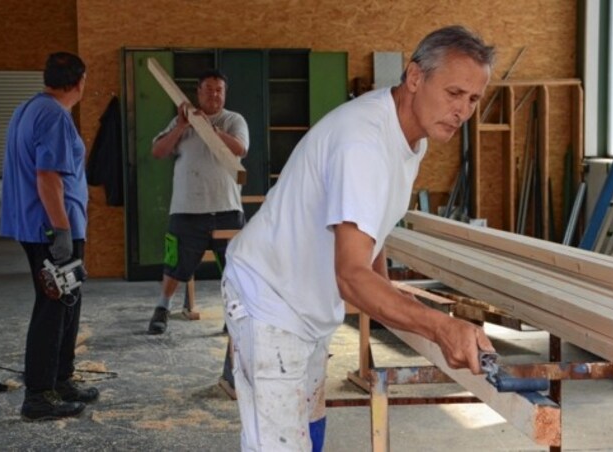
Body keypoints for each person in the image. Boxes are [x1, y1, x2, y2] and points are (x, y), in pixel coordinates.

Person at [222, 25, 497, 451]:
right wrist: (440, 327)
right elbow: (351, 276)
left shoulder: (411, 134)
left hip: (307, 305)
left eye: (473, 99)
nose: (462, 110)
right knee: (277, 443)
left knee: (309, 427)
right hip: (269, 298)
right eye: (454, 93)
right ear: (415, 77)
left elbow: (372, 220)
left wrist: (386, 292)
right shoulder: (363, 142)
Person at [0, 51, 99, 421]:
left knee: (66, 304)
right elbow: (48, 177)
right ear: (80, 82)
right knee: (53, 307)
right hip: (52, 228)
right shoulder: (55, 116)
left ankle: (60, 380)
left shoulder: (28, 108)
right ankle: (39, 396)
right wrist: (60, 230)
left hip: (41, 225)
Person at [146, 69, 249, 335]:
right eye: (209, 89)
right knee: (175, 263)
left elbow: (240, 149)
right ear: (198, 92)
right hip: (187, 209)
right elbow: (158, 151)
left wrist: (211, 129)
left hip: (226, 208)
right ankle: (162, 308)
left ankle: (235, 315)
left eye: (219, 90)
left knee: (235, 267)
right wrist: (182, 125)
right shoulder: (181, 121)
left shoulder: (233, 119)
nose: (214, 94)